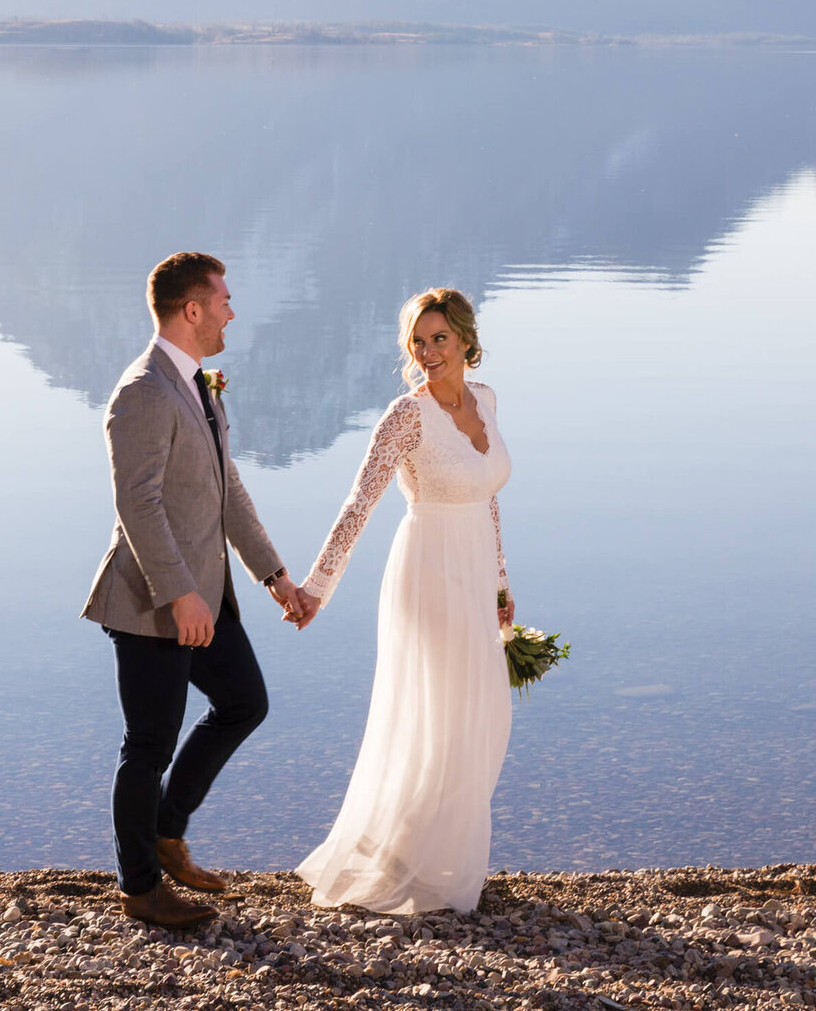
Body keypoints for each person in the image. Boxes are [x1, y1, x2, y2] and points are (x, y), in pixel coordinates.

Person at [81, 251, 309, 928]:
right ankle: (140, 887)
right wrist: (180, 594)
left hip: (205, 595)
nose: (233, 310)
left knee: (244, 701)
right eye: (224, 299)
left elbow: (226, 489)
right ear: (192, 310)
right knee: (148, 745)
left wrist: (274, 577)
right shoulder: (144, 391)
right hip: (154, 603)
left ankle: (168, 831)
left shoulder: (198, 384)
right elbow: (138, 504)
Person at [289, 287, 514, 914]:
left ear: (467, 339)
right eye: (418, 341)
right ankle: (423, 869)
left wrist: (500, 579)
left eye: (439, 338)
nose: (428, 351)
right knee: (440, 714)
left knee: (486, 713)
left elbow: (487, 493)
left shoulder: (486, 401)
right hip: (428, 572)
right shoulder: (405, 417)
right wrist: (316, 590)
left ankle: (436, 850)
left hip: (473, 572)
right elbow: (359, 504)